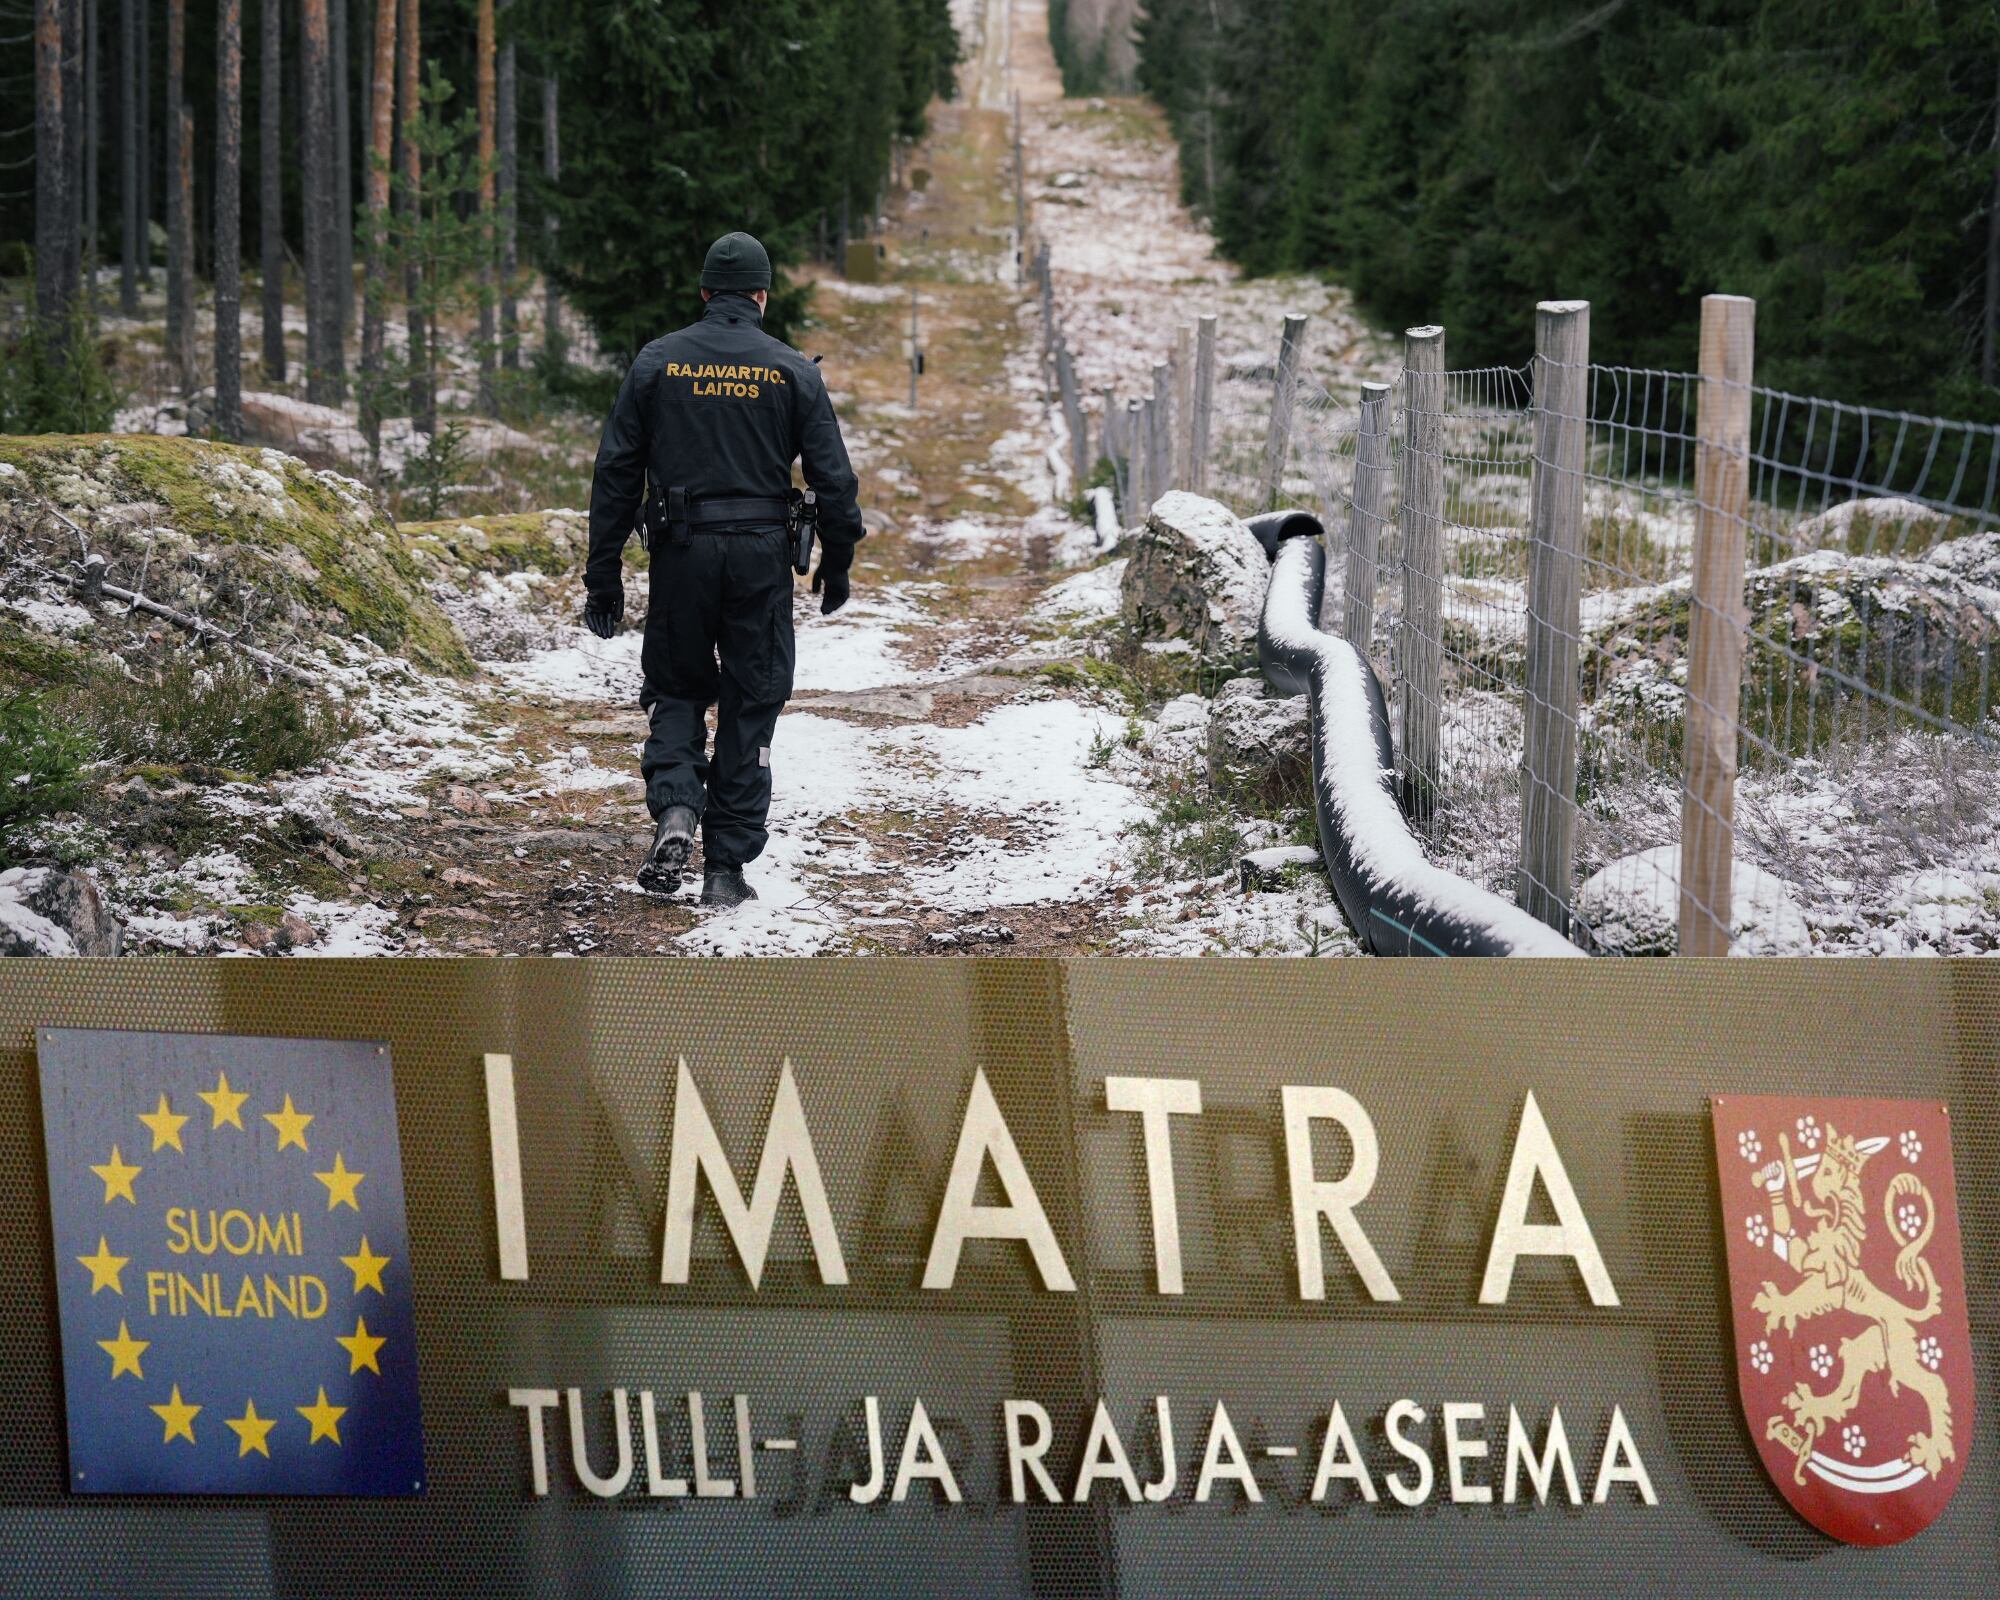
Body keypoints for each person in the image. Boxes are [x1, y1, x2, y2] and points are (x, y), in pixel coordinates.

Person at [581, 232, 864, 907]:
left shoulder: (658, 362)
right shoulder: (793, 370)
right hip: (762, 560)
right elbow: (836, 482)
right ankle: (726, 868)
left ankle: (677, 807)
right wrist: (838, 560)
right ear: (762, 295)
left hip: (681, 552)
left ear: (706, 292)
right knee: (750, 700)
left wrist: (604, 573)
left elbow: (616, 473)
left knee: (678, 688)